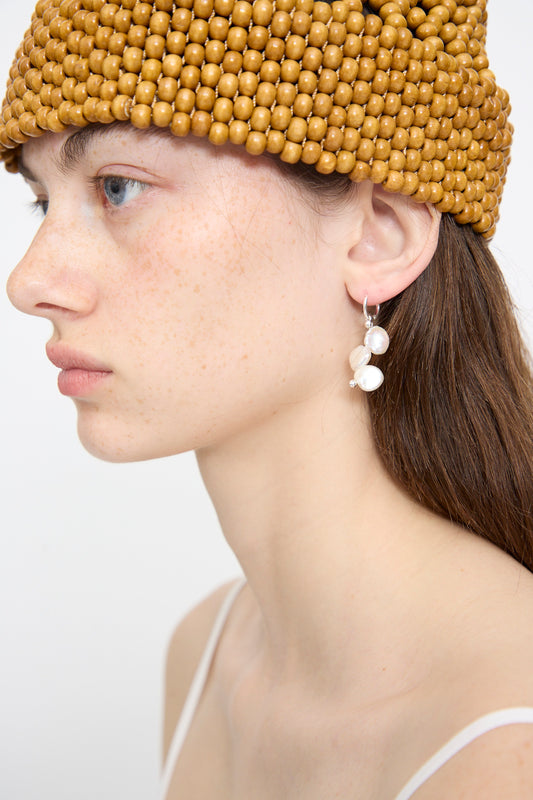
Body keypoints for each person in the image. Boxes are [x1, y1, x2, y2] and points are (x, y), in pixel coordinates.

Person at [2, 0, 533, 798]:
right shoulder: (205, 652)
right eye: (44, 201)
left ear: (376, 235)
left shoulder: (504, 749)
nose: (30, 283)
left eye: (117, 187)